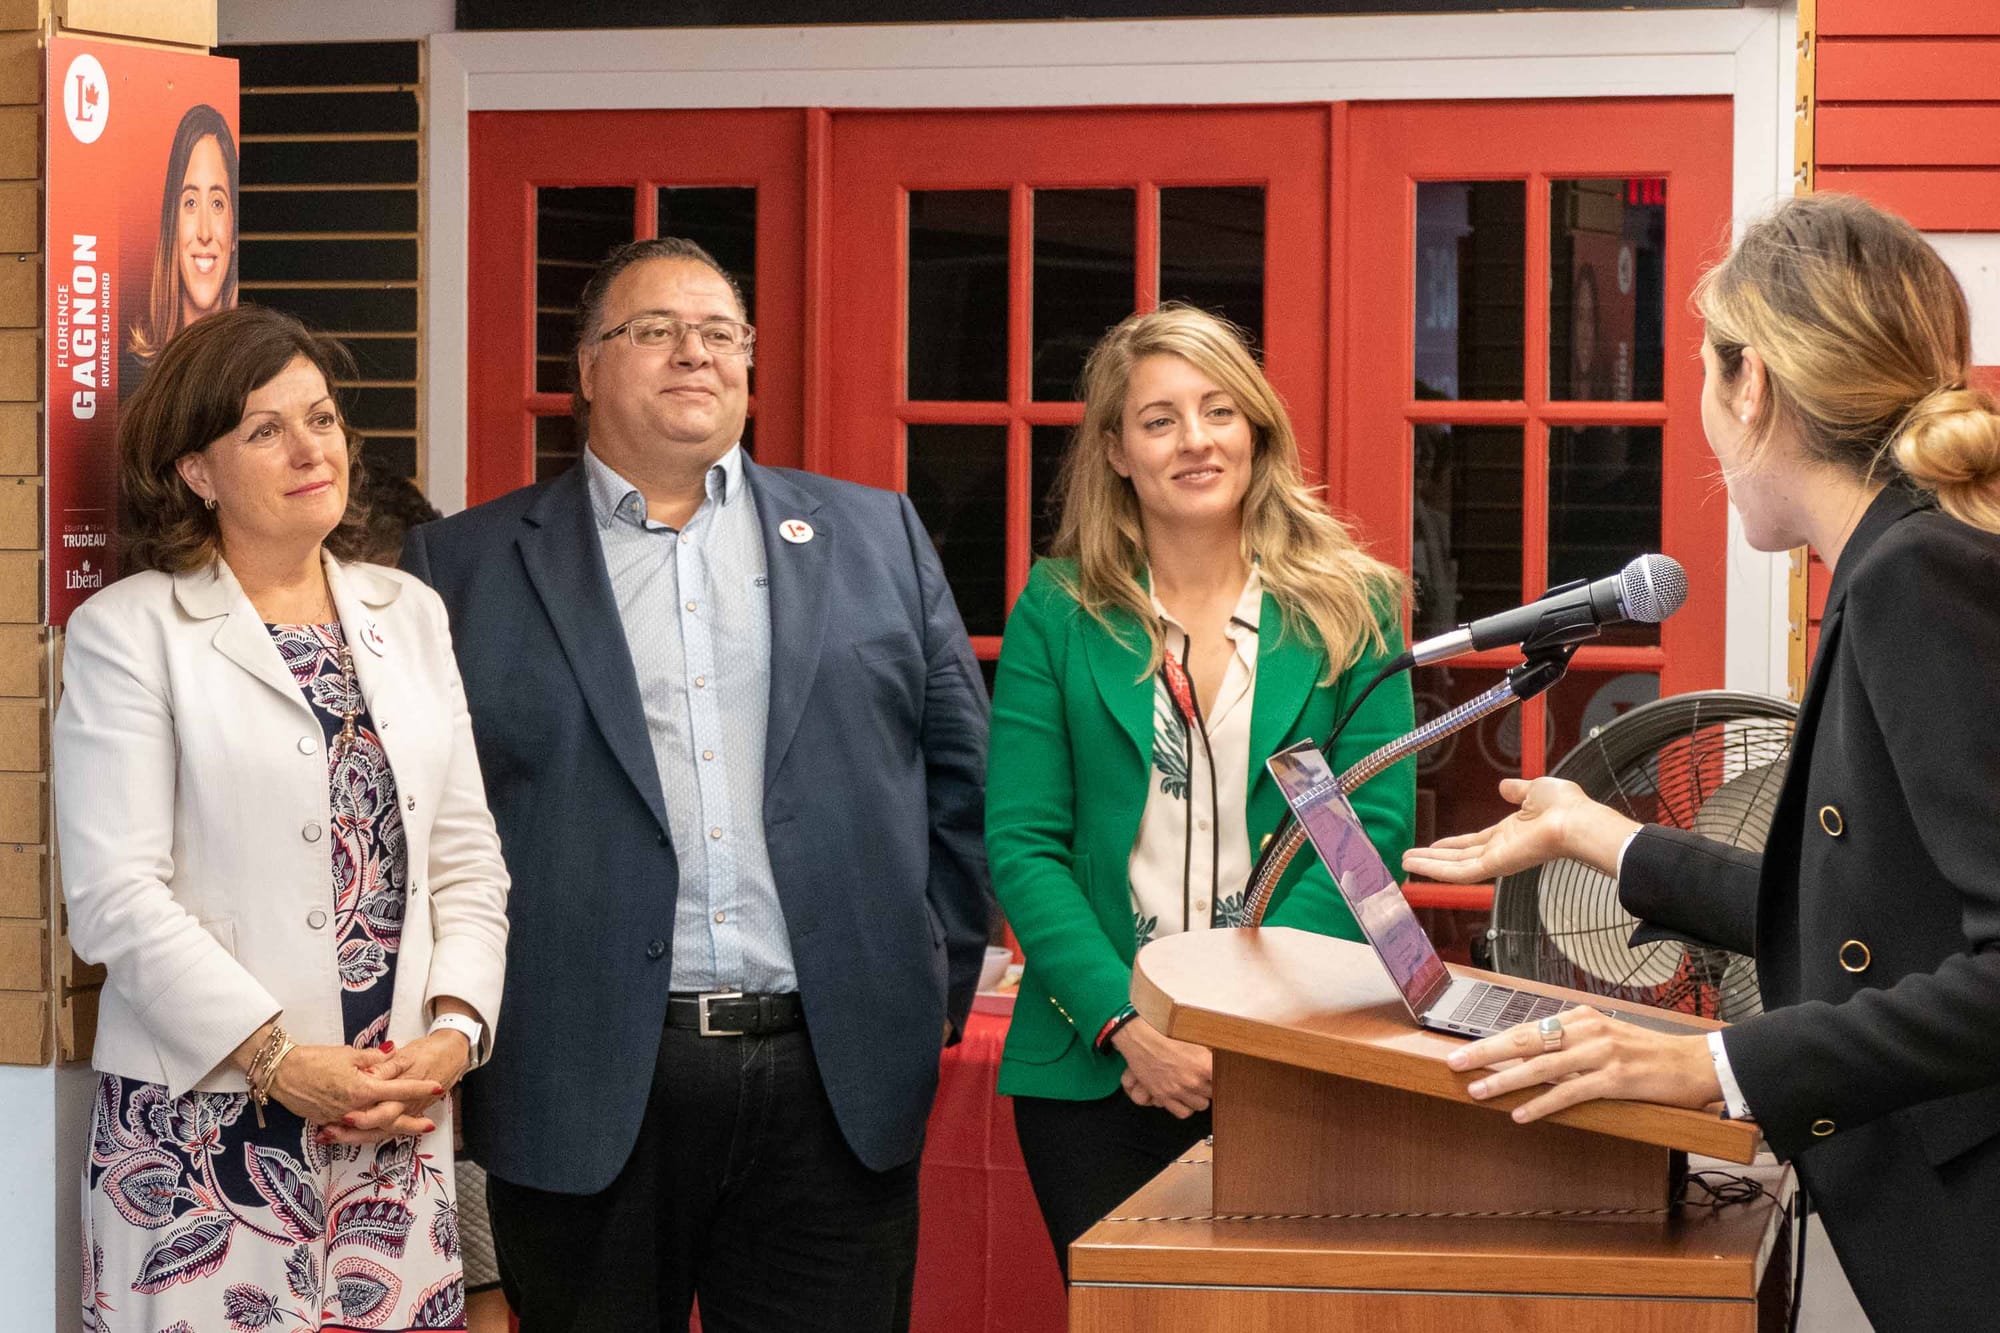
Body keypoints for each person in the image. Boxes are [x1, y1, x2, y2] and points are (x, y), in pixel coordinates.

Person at [1402, 193, 2000, 1332]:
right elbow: (1862, 913)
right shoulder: (1903, 554)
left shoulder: (1913, 575)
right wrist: (1598, 835)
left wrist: (1715, 1066)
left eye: (1703, 372)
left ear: (1753, 384)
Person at [401, 236, 991, 1332]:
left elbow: (964, 786)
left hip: (837, 1081)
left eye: (721, 332)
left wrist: (920, 991)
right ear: (587, 368)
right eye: (656, 331)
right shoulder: (461, 570)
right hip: (577, 1086)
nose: (695, 353)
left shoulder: (876, 535)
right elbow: (428, 831)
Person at [57, 305, 511, 1332]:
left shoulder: (409, 612)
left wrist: (454, 1031)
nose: (312, 450)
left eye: (322, 418)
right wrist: (275, 1060)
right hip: (199, 1131)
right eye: (265, 430)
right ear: (196, 471)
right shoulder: (130, 632)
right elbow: (115, 895)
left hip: (391, 1116)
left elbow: (465, 857)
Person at [987, 303, 1417, 1274]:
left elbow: (1370, 831)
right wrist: (1129, 1025)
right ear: (1115, 450)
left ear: (1255, 429)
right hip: (1097, 1068)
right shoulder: (1056, 610)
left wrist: (1240, 1027)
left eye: (1219, 410)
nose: (1194, 439)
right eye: (1159, 419)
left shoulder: (1351, 605)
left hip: (1295, 1058)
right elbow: (1022, 842)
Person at [125, 104, 238, 385]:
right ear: (171, 225)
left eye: (217, 203)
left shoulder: (255, 372)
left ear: (234, 232)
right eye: (190, 202)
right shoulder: (134, 379)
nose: (204, 232)